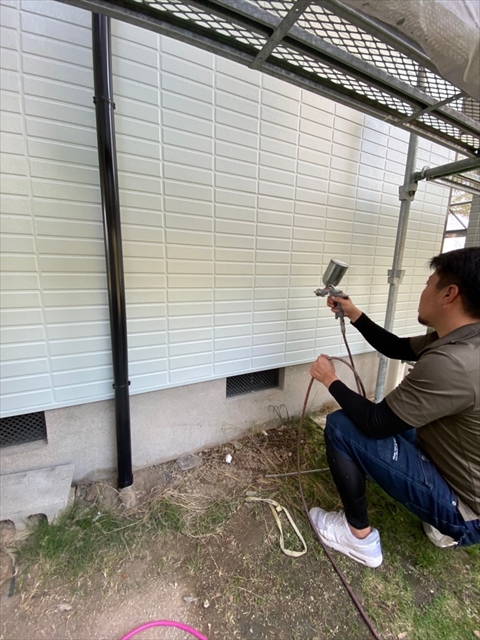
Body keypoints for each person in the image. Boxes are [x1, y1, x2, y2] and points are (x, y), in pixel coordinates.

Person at [308, 247, 480, 568]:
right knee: (401, 421)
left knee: (343, 427)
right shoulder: (463, 339)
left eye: (429, 284)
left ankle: (358, 538)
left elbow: (375, 423)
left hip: (468, 513)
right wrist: (354, 313)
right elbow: (395, 347)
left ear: (449, 294)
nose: (423, 291)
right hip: (466, 473)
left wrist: (329, 379)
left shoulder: (452, 362)